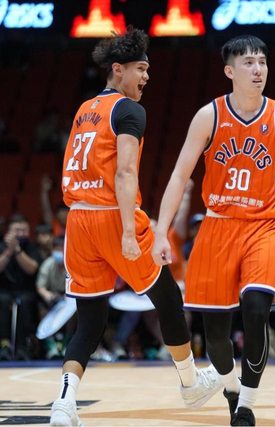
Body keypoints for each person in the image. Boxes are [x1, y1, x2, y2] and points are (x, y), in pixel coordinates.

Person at [50, 28, 220, 427]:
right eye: (140, 69)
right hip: (112, 214)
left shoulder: (85, 108)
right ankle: (190, 383)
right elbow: (125, 172)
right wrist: (128, 231)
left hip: (78, 219)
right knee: (168, 297)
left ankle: (63, 404)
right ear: (118, 69)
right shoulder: (129, 110)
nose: (146, 77)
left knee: (90, 321)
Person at [152, 35, 275, 426]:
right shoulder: (208, 116)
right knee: (216, 334)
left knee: (256, 311)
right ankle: (231, 387)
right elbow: (180, 174)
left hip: (263, 225)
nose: (258, 70)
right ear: (229, 71)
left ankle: (247, 405)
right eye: (248, 63)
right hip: (217, 225)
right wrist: (161, 231)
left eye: (262, 62)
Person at [0, 214, 42, 361]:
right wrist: (8, 252)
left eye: (24, 230)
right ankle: (4, 346)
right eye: (17, 230)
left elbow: (32, 269)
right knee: (2, 301)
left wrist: (17, 251)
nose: (21, 234)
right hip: (2, 290)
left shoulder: (32, 248)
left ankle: (23, 347)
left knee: (25, 302)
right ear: (9, 232)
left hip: (25, 290)